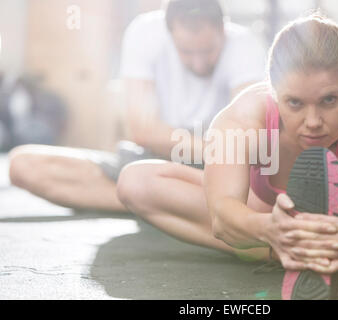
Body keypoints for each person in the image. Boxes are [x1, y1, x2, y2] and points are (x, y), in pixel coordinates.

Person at [116, 13, 338, 298]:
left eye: (329, 100)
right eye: (295, 103)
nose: (313, 121)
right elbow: (222, 216)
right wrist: (268, 228)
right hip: (272, 216)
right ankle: (291, 252)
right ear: (273, 90)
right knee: (136, 181)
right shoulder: (244, 121)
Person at [7, 0, 265, 212]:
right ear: (169, 32)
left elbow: (243, 139)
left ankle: (156, 201)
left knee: (251, 188)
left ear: (223, 29)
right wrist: (215, 150)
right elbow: (143, 131)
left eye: (208, 51)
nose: (198, 64)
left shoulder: (245, 45)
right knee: (22, 164)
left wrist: (218, 158)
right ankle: (165, 204)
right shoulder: (145, 33)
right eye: (187, 52)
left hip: (214, 171)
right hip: (155, 162)